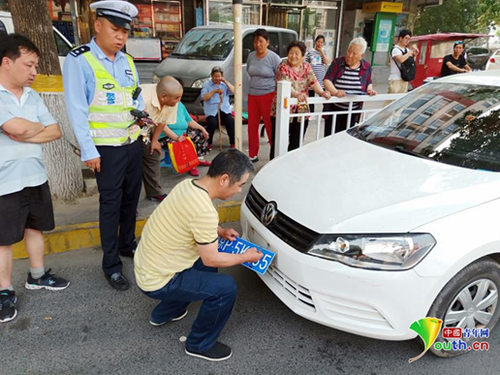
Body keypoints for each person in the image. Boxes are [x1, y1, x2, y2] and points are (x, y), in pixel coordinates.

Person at [134, 149, 263, 361]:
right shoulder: (204, 210)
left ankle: (164, 313)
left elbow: (191, 222)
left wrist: (220, 232)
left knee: (208, 269)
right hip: (158, 280)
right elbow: (210, 257)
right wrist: (245, 257)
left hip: (147, 268)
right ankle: (199, 344)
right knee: (225, 287)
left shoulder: (187, 185)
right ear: (224, 179)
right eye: (240, 185)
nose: (239, 191)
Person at [63, 0, 144, 291]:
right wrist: (89, 150)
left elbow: (135, 97)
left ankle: (126, 244)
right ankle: (111, 265)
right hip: (105, 149)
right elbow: (76, 109)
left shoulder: (128, 61)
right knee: (110, 206)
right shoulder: (80, 59)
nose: (121, 36)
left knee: (131, 199)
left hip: (132, 143)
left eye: (125, 31)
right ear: (97, 26)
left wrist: (142, 118)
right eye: (115, 29)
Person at [0, 34, 70, 323]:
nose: (34, 72)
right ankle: (4, 291)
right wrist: (25, 128)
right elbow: (13, 125)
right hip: (5, 182)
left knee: (36, 228)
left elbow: (54, 130)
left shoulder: (33, 95)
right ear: (7, 62)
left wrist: (26, 131)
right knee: (3, 240)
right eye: (29, 65)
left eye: (36, 66)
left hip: (35, 176)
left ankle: (37, 275)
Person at [270, 40, 331, 158]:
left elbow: (313, 82)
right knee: (278, 142)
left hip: (301, 107)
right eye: (291, 53)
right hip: (284, 107)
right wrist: (297, 94)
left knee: (297, 140)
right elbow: (285, 84)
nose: (293, 56)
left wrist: (322, 93)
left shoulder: (306, 66)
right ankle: (275, 166)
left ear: (303, 56)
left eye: (297, 53)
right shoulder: (283, 66)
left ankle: (291, 164)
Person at [150, 78, 211, 178]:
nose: (178, 99)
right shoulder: (164, 105)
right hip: (166, 136)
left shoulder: (180, 105)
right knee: (183, 142)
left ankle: (198, 159)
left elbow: (189, 120)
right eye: (176, 96)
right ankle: (190, 165)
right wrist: (176, 137)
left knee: (199, 135)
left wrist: (202, 128)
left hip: (182, 133)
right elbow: (162, 126)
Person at [323, 37, 376, 136]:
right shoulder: (337, 62)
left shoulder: (366, 66)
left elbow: (368, 81)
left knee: (346, 138)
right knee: (330, 138)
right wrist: (335, 92)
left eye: (354, 54)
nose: (349, 56)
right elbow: (327, 80)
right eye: (349, 51)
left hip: (353, 112)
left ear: (361, 55)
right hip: (335, 109)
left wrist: (369, 90)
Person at [140, 76, 180, 203]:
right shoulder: (144, 99)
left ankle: (154, 192)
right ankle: (128, 205)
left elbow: (163, 121)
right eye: (177, 98)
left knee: (153, 154)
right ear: (163, 97)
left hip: (146, 129)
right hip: (130, 129)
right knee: (132, 165)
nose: (179, 100)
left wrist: (154, 141)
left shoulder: (172, 102)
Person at [246, 28, 282, 162]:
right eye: (255, 41)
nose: (258, 44)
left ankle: (274, 154)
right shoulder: (251, 56)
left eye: (261, 41)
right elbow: (250, 72)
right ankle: (253, 154)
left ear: (267, 42)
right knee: (252, 126)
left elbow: (281, 76)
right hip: (253, 95)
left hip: (269, 95)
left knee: (270, 126)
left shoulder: (273, 58)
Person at [201, 66, 235, 149]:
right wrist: (214, 91)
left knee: (230, 121)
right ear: (212, 76)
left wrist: (226, 82)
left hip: (224, 109)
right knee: (212, 123)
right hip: (212, 110)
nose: (217, 78)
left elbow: (234, 91)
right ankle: (208, 142)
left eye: (219, 76)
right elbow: (204, 98)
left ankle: (233, 142)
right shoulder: (207, 85)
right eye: (215, 76)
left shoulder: (224, 84)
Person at [388, 29, 419, 94]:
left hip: (404, 78)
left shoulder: (407, 50)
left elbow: (411, 63)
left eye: (409, 39)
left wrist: (414, 55)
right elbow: (401, 60)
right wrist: (410, 52)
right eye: (406, 38)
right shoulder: (395, 49)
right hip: (395, 79)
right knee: (391, 100)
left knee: (400, 101)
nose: (407, 41)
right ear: (400, 38)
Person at [305, 35, 329, 117]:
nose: (319, 44)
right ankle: (311, 114)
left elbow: (326, 62)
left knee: (323, 95)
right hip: (311, 79)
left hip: (320, 78)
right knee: (311, 97)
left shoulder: (324, 52)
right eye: (318, 41)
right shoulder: (310, 52)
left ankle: (325, 113)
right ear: (315, 42)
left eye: (322, 42)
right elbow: (306, 63)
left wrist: (321, 52)